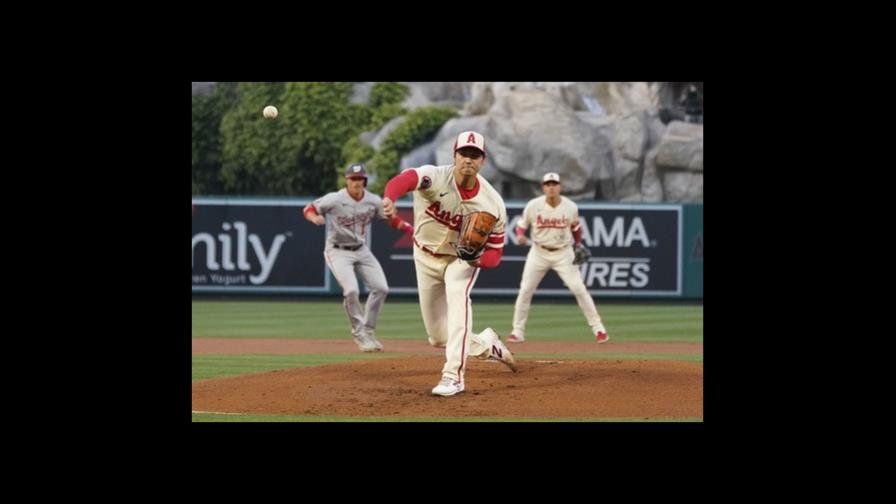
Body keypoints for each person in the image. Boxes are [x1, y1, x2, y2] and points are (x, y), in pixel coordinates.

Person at [382, 131, 516, 397]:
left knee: (459, 302)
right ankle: (488, 346)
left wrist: (475, 259)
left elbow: (495, 255)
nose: (468, 159)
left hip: (460, 261)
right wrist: (389, 198)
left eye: (474, 155)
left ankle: (453, 376)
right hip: (424, 255)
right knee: (438, 338)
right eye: (464, 154)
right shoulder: (435, 175)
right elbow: (406, 178)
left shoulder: (493, 204)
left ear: (482, 161)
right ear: (454, 156)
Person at [303, 163, 414, 352]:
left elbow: (390, 218)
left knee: (381, 288)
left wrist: (408, 228)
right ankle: (359, 334)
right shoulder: (335, 199)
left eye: (360, 179)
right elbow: (309, 208)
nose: (356, 182)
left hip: (361, 249)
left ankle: (368, 330)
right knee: (351, 291)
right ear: (347, 180)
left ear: (364, 181)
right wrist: (314, 218)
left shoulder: (373, 200)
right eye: (353, 179)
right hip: (337, 251)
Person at [507, 172, 609, 344]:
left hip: (563, 252)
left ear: (559, 187)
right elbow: (520, 226)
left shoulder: (570, 207)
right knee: (525, 290)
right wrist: (519, 236)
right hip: (538, 252)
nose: (551, 187)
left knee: (578, 288)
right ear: (543, 187)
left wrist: (578, 244)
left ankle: (599, 329)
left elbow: (576, 227)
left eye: (554, 184)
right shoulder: (533, 205)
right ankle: (517, 332)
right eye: (548, 184)